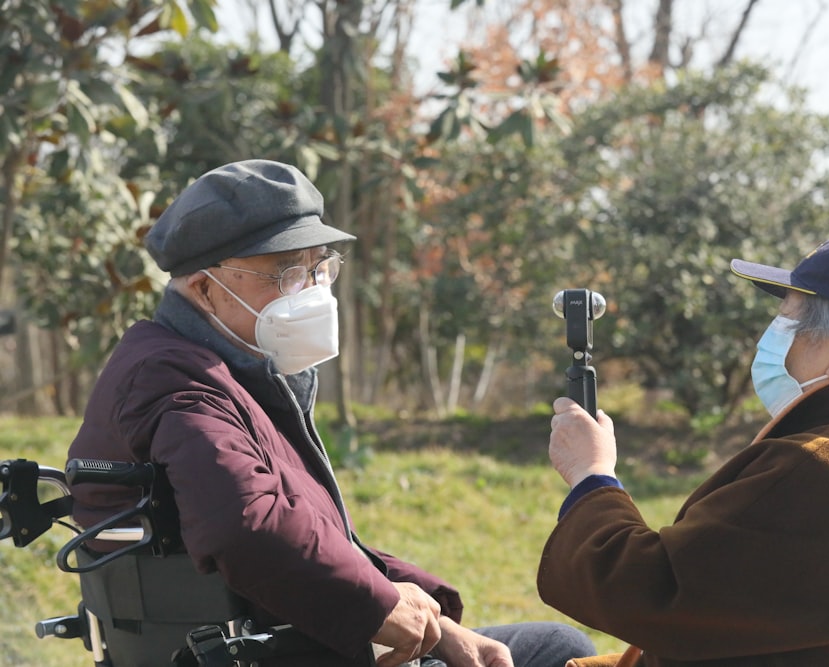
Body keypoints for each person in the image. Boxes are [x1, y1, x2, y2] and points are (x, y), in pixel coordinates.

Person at [68, 159, 594, 667]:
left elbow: (305, 530)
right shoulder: (178, 385)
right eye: (287, 273)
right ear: (206, 288)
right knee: (557, 651)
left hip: (292, 639)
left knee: (552, 645)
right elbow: (248, 526)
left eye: (321, 266)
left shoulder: (221, 371)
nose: (314, 289)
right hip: (288, 650)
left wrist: (433, 618)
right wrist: (381, 607)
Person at [538, 226, 829, 666]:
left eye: (789, 320)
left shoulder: (826, 466)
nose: (769, 337)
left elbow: (645, 590)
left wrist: (591, 474)